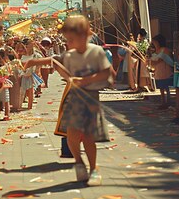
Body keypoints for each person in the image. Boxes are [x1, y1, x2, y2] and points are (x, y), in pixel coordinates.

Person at [25, 15, 115, 187]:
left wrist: (85, 80)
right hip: (74, 99)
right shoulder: (70, 54)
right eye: (67, 40)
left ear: (85, 35)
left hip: (89, 99)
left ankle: (94, 169)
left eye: (71, 39)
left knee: (88, 137)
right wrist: (34, 61)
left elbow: (108, 73)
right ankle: (79, 162)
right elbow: (54, 60)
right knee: (71, 135)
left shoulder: (96, 52)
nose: (68, 43)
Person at [150, 34, 173, 109]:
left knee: (166, 86)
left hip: (165, 70)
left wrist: (151, 62)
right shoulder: (156, 51)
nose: (154, 44)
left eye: (155, 42)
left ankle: (168, 102)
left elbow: (160, 60)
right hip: (158, 70)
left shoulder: (164, 50)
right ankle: (163, 102)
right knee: (161, 88)